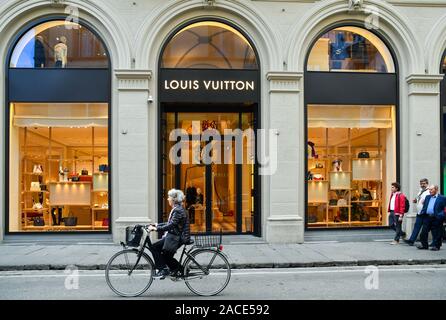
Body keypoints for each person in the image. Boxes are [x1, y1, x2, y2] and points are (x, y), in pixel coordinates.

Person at [148, 189, 191, 279]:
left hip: (177, 237)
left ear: (174, 199)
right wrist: (156, 225)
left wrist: (156, 228)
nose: (167, 199)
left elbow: (171, 225)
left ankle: (163, 269)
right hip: (174, 236)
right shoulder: (177, 209)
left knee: (155, 247)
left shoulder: (178, 210)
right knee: (166, 256)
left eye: (169, 197)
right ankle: (181, 270)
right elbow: (170, 223)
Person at [417, 185, 446, 251]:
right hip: (427, 217)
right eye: (429, 190)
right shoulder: (427, 197)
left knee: (436, 233)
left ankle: (436, 246)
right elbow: (425, 206)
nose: (430, 191)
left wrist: (441, 215)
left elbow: (444, 208)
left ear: (436, 190)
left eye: (431, 189)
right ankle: (424, 245)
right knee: (423, 232)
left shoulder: (442, 198)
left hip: (436, 218)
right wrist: (422, 212)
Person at [404, 178, 430, 246]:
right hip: (419, 212)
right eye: (421, 184)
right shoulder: (420, 191)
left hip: (425, 213)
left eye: (424, 183)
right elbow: (420, 200)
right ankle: (411, 241)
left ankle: (427, 243)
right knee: (416, 227)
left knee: (425, 229)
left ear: (427, 183)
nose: (422, 185)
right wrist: (416, 201)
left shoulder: (429, 191)